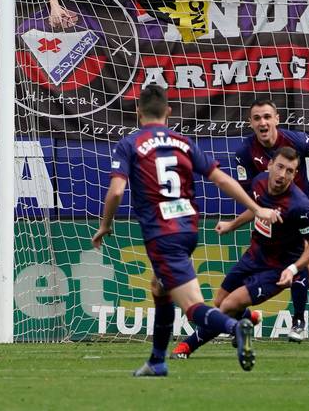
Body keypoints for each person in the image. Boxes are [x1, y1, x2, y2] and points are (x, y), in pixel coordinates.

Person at [91, 85, 281, 376]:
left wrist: (105, 224)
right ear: (168, 112)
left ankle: (235, 327)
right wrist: (257, 209)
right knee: (160, 286)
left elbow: (116, 191)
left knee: (192, 305)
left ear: (138, 111)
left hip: (161, 233)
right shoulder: (183, 141)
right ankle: (157, 361)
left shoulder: (129, 144)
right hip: (188, 229)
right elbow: (221, 180)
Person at [172, 147, 309, 358]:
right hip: (255, 254)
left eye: (290, 171)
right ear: (270, 165)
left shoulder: (299, 206)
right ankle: (247, 319)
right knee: (219, 301)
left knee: (228, 305)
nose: (282, 174)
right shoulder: (259, 181)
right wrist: (232, 225)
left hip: (277, 267)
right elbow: (256, 207)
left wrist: (293, 268)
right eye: (280, 167)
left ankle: (186, 347)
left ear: (295, 174)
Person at [232, 99, 309, 344]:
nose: (263, 122)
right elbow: (249, 194)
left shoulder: (295, 141)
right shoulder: (244, 153)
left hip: (305, 211)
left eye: (267, 117)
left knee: (298, 259)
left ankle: (298, 321)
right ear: (250, 123)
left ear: (277, 119)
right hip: (273, 217)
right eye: (257, 118)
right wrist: (258, 213)